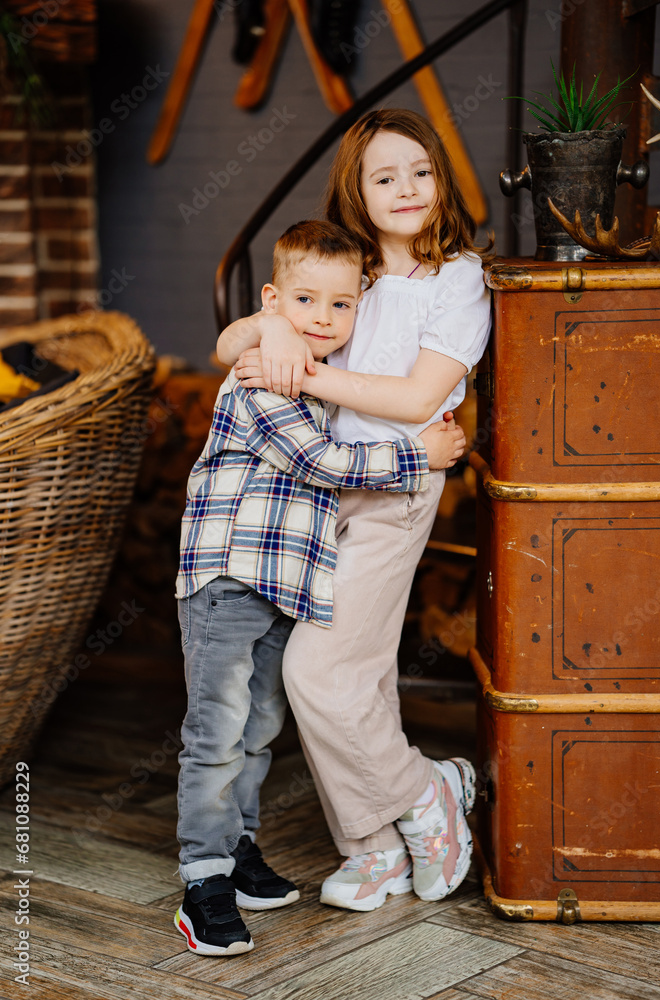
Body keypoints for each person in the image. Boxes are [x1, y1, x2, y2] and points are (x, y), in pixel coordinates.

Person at [174, 219, 467, 956]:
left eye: (342, 306)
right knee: (215, 737)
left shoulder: (313, 381)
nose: (323, 319)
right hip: (227, 579)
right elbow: (322, 463)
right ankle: (202, 879)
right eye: (305, 301)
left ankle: (238, 850)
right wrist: (417, 450)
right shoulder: (260, 378)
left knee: (259, 731)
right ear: (275, 301)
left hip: (281, 586)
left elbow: (337, 436)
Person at [229, 108, 493, 912]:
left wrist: (299, 373)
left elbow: (417, 395)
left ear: (441, 181)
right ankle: (371, 847)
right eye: (384, 176)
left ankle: (425, 794)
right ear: (358, 190)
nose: (406, 188)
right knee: (361, 671)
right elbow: (232, 347)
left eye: (420, 171)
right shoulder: (345, 271)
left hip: (396, 488)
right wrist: (270, 326)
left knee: (317, 669)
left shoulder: (455, 278)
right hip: (315, 488)